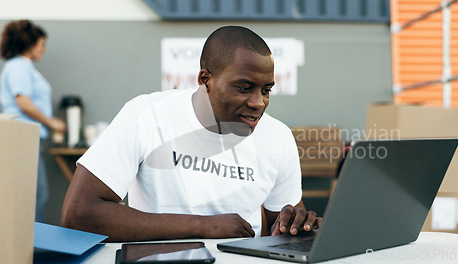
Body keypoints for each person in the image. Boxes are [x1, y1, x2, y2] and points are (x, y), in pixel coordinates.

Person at [61, 26, 322, 241]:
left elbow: (283, 222)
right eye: (244, 88)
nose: (259, 102)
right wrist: (202, 226)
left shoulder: (277, 136)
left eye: (266, 90)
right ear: (205, 79)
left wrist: (298, 225)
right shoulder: (146, 114)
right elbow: (79, 214)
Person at [0, 20, 66, 222]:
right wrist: (51, 122)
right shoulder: (19, 67)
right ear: (28, 43)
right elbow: (23, 102)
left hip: (27, 136)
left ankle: (29, 247)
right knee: (34, 195)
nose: (43, 49)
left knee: (33, 194)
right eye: (41, 44)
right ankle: (31, 250)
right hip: (22, 136)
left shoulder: (24, 67)